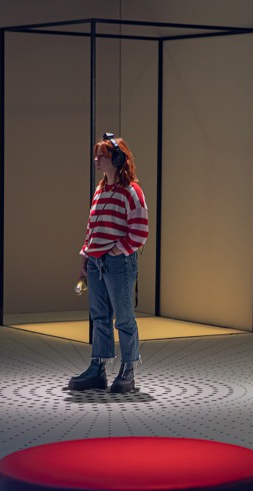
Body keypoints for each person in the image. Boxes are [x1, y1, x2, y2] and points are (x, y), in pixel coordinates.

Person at [68, 132, 149, 393]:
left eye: (101, 155)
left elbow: (140, 230)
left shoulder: (131, 191)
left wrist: (117, 250)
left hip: (118, 264)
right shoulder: (100, 190)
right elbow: (92, 227)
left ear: (116, 158)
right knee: (99, 318)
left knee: (123, 318)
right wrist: (85, 256)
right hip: (95, 262)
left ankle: (128, 371)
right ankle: (98, 368)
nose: (96, 160)